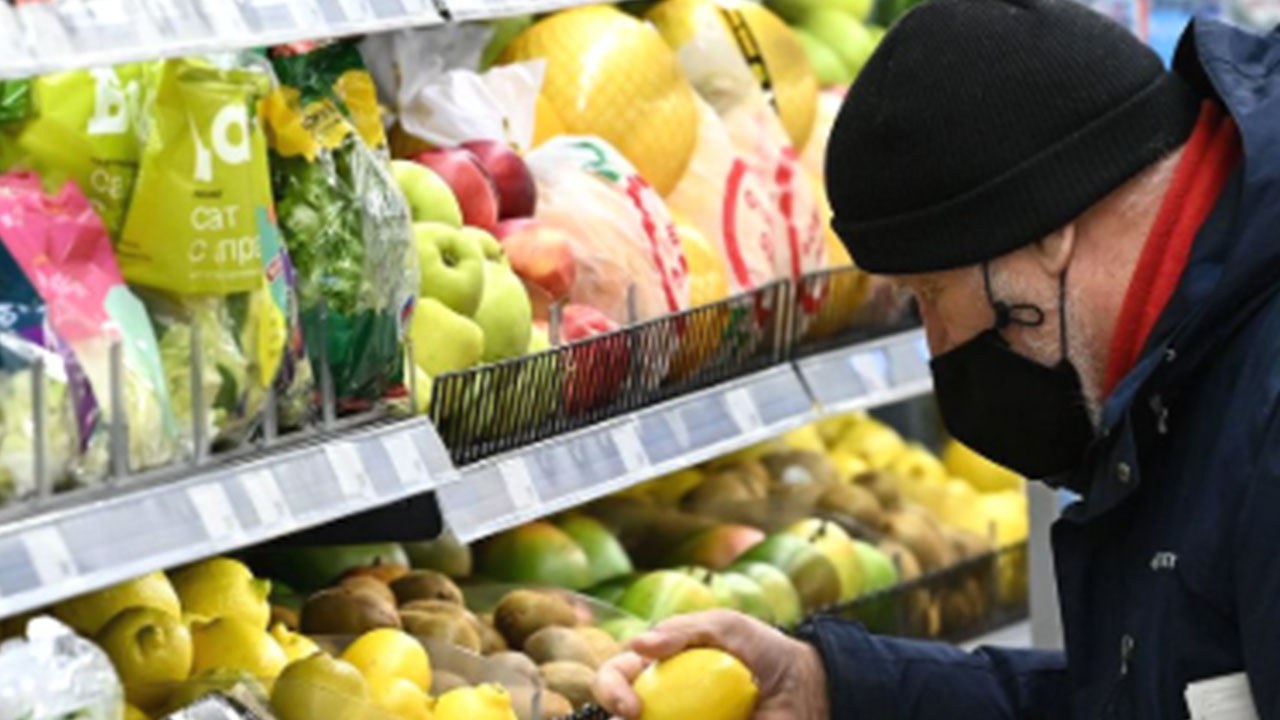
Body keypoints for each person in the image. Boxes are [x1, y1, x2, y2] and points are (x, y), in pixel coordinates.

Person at [594, 0, 1280, 717]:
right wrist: (833, 687)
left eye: (931, 293)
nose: (938, 343)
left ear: (1048, 233)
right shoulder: (1188, 369)